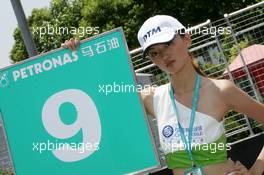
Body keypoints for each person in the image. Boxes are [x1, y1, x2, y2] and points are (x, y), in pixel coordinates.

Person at [61, 15, 264, 175]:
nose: (163, 55)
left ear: (186, 39)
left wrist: (255, 171)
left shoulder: (221, 90)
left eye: (168, 44)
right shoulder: (150, 98)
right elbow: (94, 106)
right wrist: (76, 59)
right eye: (154, 53)